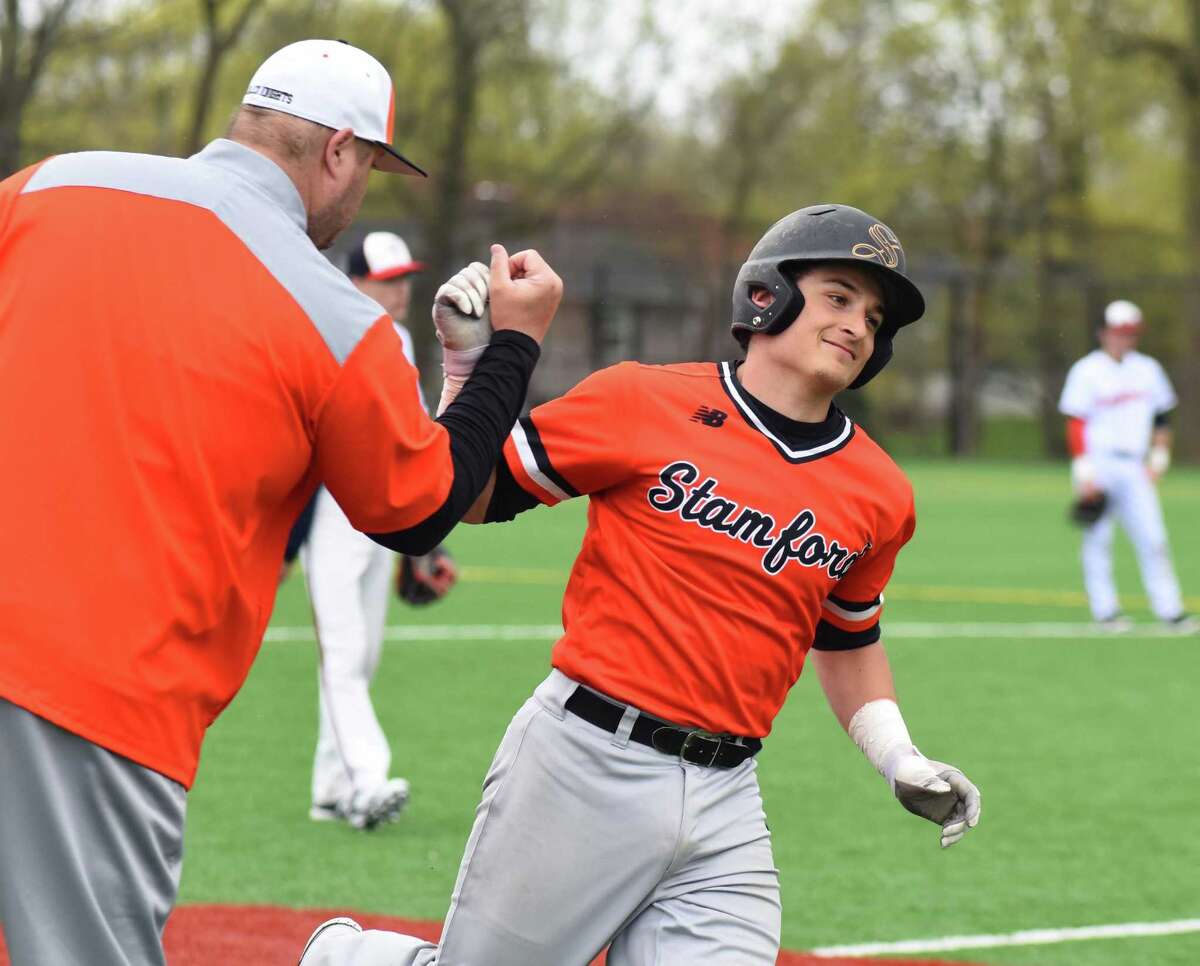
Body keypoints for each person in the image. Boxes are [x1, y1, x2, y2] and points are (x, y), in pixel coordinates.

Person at [0, 39, 561, 966]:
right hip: (96, 695)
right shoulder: (332, 313)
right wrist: (504, 352)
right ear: (338, 150)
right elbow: (420, 508)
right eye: (369, 169)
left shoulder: (49, 185)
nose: (359, 195)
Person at [298, 204, 982, 966]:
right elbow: (469, 492)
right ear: (767, 297)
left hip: (728, 795)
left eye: (876, 315)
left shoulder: (879, 491)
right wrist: (466, 371)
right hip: (584, 761)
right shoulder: (639, 398)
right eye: (839, 296)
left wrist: (899, 755)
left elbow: (849, 637)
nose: (859, 324)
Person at [293, 231, 460, 830]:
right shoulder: (330, 330)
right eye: (386, 280)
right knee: (341, 650)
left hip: (380, 510)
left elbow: (410, 434)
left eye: (403, 278)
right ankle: (368, 779)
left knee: (362, 653)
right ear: (356, 280)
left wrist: (427, 535)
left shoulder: (403, 339)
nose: (398, 290)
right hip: (331, 506)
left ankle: (330, 789)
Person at [1058, 299, 1195, 632]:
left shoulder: (1148, 369)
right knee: (1098, 539)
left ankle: (1170, 609)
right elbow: (1076, 422)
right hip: (1100, 464)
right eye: (1119, 332)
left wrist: (1160, 456)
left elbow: (1162, 418)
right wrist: (1084, 469)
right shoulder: (1087, 370)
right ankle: (1105, 610)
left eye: (1130, 333)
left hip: (1135, 465)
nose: (1125, 339)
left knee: (1153, 537)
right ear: (1103, 332)